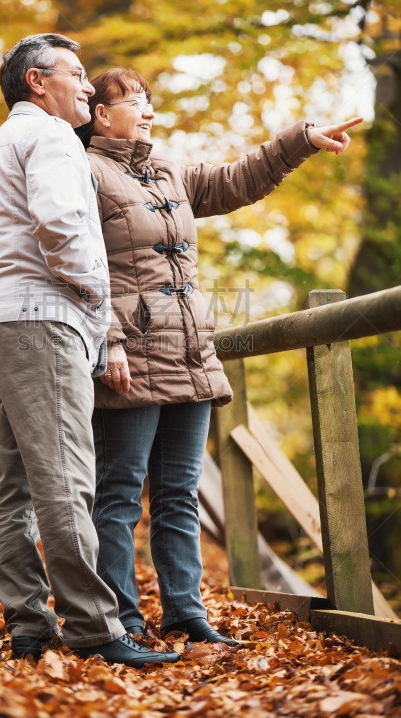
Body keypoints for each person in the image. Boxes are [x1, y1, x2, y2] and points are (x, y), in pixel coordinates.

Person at [76, 67, 362, 643]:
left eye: (150, 101)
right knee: (119, 496)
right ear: (102, 115)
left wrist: (300, 140)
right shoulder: (81, 171)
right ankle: (120, 620)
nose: (148, 111)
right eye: (135, 101)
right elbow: (77, 261)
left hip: (189, 355)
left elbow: (237, 181)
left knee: (179, 495)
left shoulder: (168, 171)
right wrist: (106, 339)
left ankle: (186, 613)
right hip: (129, 357)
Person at [0, 37, 179, 668]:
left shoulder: (2, 144)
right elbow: (60, 226)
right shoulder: (54, 137)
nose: (88, 87)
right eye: (77, 75)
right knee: (65, 481)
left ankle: (28, 625)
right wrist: (96, 300)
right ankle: (94, 628)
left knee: (15, 486)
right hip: (39, 322)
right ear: (37, 81)